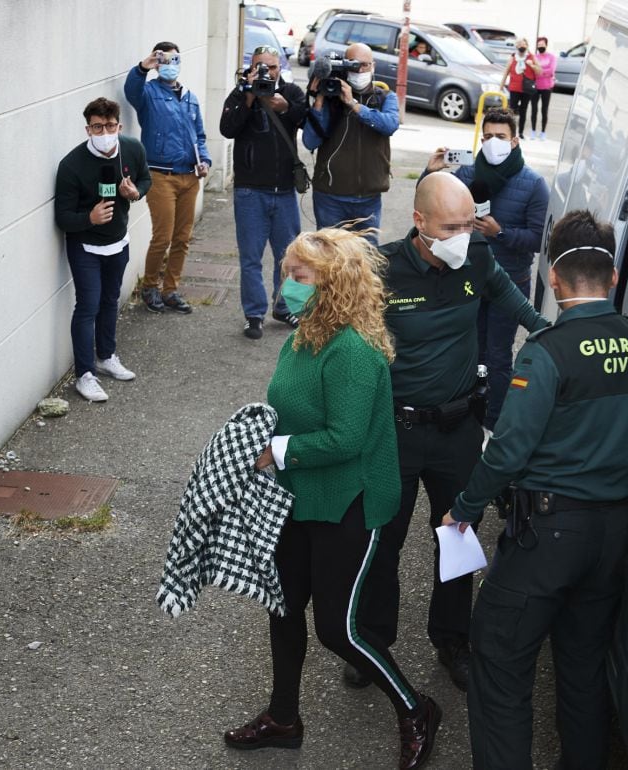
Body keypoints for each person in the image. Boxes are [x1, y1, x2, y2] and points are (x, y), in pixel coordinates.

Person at [441, 210, 628, 769]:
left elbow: (508, 450)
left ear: (554, 282)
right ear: (613, 280)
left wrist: (463, 510)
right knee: (584, 666)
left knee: (498, 654)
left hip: (549, 534)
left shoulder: (546, 351)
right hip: (614, 534)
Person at [223, 229, 441, 770]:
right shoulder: (306, 334)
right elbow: (290, 407)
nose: (288, 284)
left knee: (338, 630)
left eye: (299, 276)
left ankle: (417, 709)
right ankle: (283, 718)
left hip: (350, 502)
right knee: (283, 605)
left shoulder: (351, 351)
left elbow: (345, 438)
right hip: (301, 498)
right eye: (287, 274)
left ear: (333, 283)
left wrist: (276, 451)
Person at [346, 172, 549, 693]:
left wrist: (568, 339)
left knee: (457, 537)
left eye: (469, 223)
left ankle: (452, 641)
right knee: (381, 540)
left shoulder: (477, 256)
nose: (465, 234)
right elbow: (346, 342)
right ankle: (370, 640)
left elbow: (521, 310)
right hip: (394, 429)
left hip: (458, 426)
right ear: (419, 222)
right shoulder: (381, 270)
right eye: (452, 226)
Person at [425, 108, 549, 430]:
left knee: (497, 356)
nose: (494, 143)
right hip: (467, 279)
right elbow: (431, 208)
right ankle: (467, 414)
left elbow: (538, 239)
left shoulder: (534, 184)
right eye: (489, 136)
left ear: (515, 140)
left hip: (511, 282)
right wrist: (431, 173)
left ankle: (494, 423)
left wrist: (500, 232)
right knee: (467, 349)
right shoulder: (466, 175)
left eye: (501, 137)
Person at [53, 97, 151, 403]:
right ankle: (85, 374)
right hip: (85, 246)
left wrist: (136, 192)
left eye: (110, 126)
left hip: (118, 241)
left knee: (110, 300)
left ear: (119, 126)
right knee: (88, 306)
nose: (104, 132)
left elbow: (146, 179)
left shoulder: (132, 148)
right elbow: (62, 217)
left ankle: (106, 356)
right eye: (98, 126)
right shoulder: (71, 165)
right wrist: (89, 218)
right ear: (88, 129)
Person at [219, 44, 309, 340]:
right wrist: (248, 95)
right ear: (250, 67)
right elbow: (227, 129)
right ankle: (254, 314)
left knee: (289, 257)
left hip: (283, 190)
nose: (265, 72)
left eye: (270, 67)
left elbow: (306, 119)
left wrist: (285, 107)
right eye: (259, 66)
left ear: (280, 67)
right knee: (251, 258)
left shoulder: (291, 92)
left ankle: (284, 307)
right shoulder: (241, 93)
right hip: (249, 191)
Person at [124, 41, 211, 314]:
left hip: (189, 176)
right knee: (163, 236)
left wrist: (205, 160)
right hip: (160, 175)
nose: (170, 66)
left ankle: (170, 289)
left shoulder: (190, 97)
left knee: (182, 237)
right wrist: (142, 67)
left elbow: (199, 135)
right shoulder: (148, 93)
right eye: (164, 60)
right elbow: (130, 91)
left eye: (174, 60)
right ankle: (150, 287)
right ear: (157, 62)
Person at [303, 43, 399, 245]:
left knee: (366, 261)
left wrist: (354, 105)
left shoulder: (384, 97)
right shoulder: (331, 98)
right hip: (330, 197)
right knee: (329, 261)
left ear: (373, 66)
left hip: (369, 199)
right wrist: (319, 101)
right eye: (354, 65)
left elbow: (390, 125)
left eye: (365, 65)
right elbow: (310, 141)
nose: (360, 70)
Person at [504, 39, 535, 139]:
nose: (522, 46)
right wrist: (501, 85)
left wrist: (532, 65)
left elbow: (539, 71)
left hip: (526, 88)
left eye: (524, 44)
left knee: (523, 110)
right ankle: (511, 131)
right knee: (512, 110)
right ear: (516, 46)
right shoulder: (513, 57)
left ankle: (520, 132)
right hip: (514, 87)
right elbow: (506, 71)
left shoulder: (531, 57)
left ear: (527, 45)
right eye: (520, 44)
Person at [527, 37, 557, 140]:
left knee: (544, 109)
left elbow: (551, 70)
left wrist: (539, 71)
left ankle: (543, 132)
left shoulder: (551, 57)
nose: (540, 47)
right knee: (534, 109)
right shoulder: (534, 57)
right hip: (535, 86)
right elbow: (532, 71)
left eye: (542, 45)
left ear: (546, 45)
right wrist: (542, 71)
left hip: (547, 87)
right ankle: (533, 131)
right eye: (539, 45)